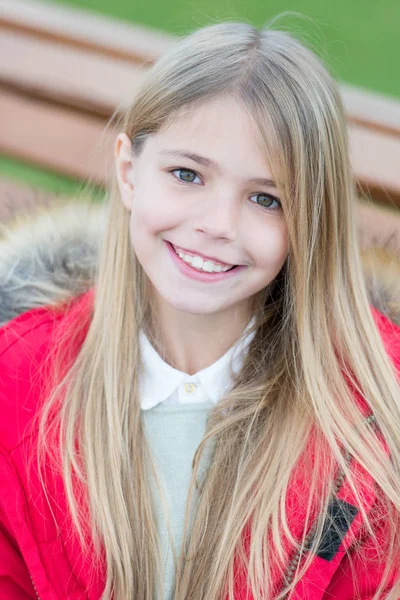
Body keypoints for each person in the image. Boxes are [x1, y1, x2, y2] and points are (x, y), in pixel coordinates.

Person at [0, 19, 400, 600]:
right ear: (130, 171)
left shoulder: (372, 414)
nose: (217, 225)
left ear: (310, 221)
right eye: (187, 174)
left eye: (266, 198)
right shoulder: (20, 382)